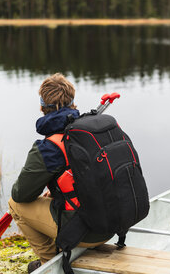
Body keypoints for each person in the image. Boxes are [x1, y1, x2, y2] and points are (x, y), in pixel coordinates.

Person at [9, 73, 111, 273]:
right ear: (74, 103)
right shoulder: (92, 131)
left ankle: (50, 263)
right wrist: (57, 190)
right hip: (112, 224)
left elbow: (21, 194)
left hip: (88, 233)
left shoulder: (49, 147)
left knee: (15, 204)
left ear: (42, 107)